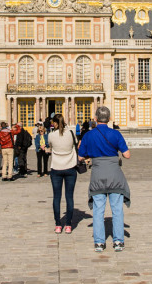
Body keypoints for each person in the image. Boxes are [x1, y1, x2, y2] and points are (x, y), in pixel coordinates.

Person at [79, 106, 130, 252]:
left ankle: (99, 242)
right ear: (109, 119)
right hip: (114, 174)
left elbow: (81, 156)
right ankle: (118, 241)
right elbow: (127, 155)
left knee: (98, 210)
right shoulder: (116, 134)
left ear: (95, 119)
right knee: (117, 210)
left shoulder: (88, 135)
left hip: (98, 174)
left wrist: (91, 155)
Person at [48, 113, 79, 234]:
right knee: (69, 197)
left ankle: (57, 225)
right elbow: (74, 145)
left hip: (56, 168)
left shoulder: (51, 135)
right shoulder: (71, 133)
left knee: (56, 197)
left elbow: (50, 146)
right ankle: (68, 225)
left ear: (55, 123)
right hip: (70, 167)